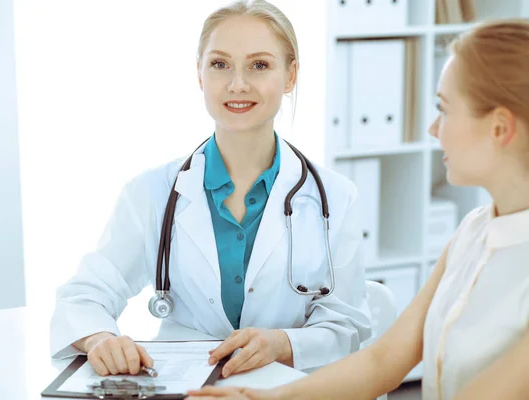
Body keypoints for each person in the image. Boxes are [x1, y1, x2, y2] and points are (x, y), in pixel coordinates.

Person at [186, 19, 529, 400]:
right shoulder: (472, 233)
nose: (433, 128)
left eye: (444, 110)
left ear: (499, 128)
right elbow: (381, 363)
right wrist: (262, 399)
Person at [49, 0, 372, 379]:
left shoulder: (334, 196)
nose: (237, 84)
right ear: (200, 75)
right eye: (220, 64)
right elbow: (85, 294)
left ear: (290, 76)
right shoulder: (152, 193)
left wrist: (282, 343)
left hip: (287, 386)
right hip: (184, 385)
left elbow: (347, 324)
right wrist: (101, 339)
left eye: (260, 65)